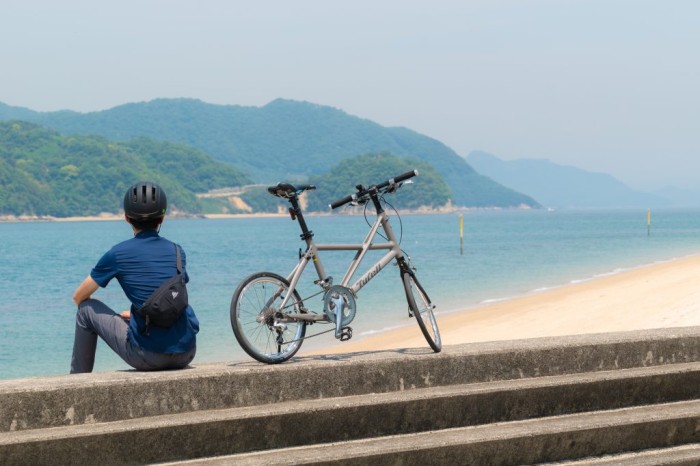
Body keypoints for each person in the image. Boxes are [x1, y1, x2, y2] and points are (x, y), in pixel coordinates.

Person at [70, 181, 199, 374]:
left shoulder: (117, 254)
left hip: (147, 356)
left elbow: (78, 297)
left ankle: (77, 383)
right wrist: (139, 315)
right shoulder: (177, 251)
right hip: (187, 352)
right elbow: (171, 299)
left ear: (127, 218)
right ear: (162, 217)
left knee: (85, 310)